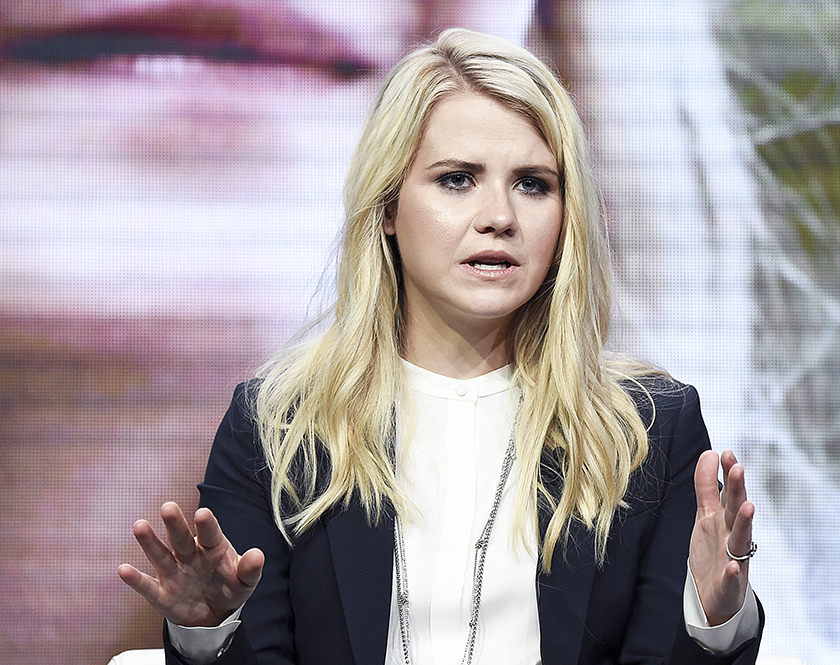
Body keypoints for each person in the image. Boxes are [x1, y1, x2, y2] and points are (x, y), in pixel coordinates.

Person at [117, 28, 763, 665]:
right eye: (458, 179)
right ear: (389, 205)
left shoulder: (647, 429)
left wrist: (709, 623)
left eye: (534, 183)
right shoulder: (279, 425)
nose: (500, 216)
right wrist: (209, 636)